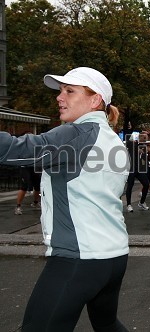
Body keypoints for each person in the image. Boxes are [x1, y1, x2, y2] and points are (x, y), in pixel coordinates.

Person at [0, 67, 130, 331]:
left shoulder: (74, 134)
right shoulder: (114, 141)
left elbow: (16, 150)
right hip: (115, 256)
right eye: (60, 91)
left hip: (79, 258)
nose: (60, 97)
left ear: (95, 101)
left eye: (70, 91)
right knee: (106, 324)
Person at [125, 132, 150, 212]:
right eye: (144, 137)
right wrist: (135, 136)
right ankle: (129, 204)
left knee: (146, 184)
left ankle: (142, 202)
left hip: (139, 169)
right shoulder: (131, 144)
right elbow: (131, 142)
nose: (145, 139)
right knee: (130, 185)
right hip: (131, 168)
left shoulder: (141, 145)